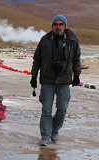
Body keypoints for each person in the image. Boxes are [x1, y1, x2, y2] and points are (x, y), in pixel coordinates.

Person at [30, 15, 81, 146]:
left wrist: (76, 76)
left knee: (62, 108)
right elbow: (37, 60)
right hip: (47, 79)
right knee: (46, 109)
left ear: (65, 26)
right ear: (52, 26)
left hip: (64, 79)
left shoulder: (72, 40)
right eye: (56, 24)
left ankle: (54, 130)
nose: (58, 26)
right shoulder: (45, 40)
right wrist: (34, 77)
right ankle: (45, 136)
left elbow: (76, 59)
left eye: (61, 24)